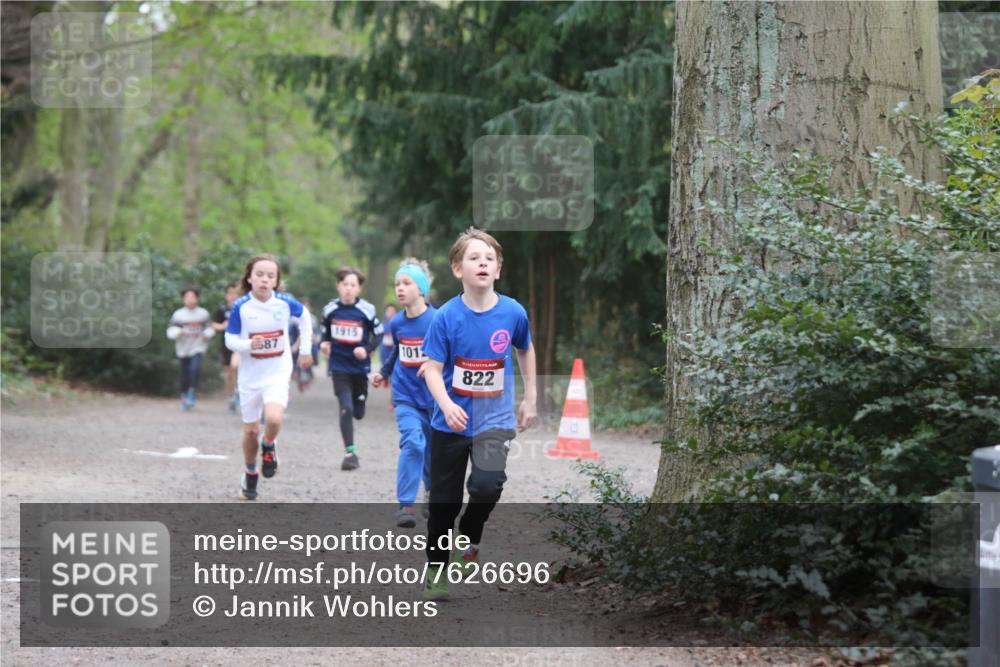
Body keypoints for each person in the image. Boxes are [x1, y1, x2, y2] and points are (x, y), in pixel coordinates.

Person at [420, 228, 537, 600]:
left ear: (498, 269)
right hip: (450, 422)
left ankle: (469, 537)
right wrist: (447, 404)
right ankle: (437, 570)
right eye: (474, 258)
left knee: (487, 487)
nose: (482, 263)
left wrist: (531, 397)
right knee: (443, 504)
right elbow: (431, 369)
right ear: (458, 269)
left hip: (494, 420)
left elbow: (525, 350)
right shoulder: (446, 317)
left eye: (489, 258)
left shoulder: (513, 312)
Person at [225, 254, 313, 501]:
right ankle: (250, 472)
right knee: (250, 431)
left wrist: (305, 350)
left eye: (270, 276)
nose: (264, 280)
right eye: (259, 274)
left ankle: (269, 444)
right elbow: (229, 339)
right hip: (250, 375)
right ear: (250, 277)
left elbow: (304, 317)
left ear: (276, 281)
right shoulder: (241, 306)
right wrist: (248, 344)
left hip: (277, 371)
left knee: (273, 418)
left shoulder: (284, 303)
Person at [372, 259, 436, 528]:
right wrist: (384, 373)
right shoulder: (397, 322)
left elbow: (451, 355)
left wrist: (432, 365)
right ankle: (406, 504)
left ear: (421, 288)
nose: (400, 288)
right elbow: (398, 352)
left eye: (407, 283)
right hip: (406, 395)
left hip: (435, 397)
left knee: (432, 452)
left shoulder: (437, 319)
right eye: (397, 283)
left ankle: (431, 492)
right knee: (413, 443)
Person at [320, 267, 383, 471]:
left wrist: (366, 349)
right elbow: (325, 334)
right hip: (339, 366)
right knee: (345, 407)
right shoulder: (330, 309)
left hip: (359, 368)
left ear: (359, 288)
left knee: (358, 412)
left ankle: (362, 398)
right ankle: (350, 453)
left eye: (352, 285)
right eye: (345, 284)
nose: (348, 289)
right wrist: (324, 344)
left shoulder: (366, 309)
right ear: (338, 286)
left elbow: (379, 335)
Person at [166, 288, 215, 411]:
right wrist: (178, 331)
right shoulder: (178, 315)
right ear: (183, 299)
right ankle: (184, 396)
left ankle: (191, 393)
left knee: (194, 369)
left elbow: (209, 328)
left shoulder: (203, 314)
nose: (190, 300)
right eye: (187, 297)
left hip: (198, 346)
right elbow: (171, 331)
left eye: (193, 297)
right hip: (183, 348)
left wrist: (207, 333)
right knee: (185, 373)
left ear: (197, 299)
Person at [211, 282, 241, 413]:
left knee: (237, 368)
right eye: (230, 293)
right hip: (226, 345)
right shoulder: (222, 309)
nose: (232, 296)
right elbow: (213, 324)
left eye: (235, 293)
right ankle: (231, 397)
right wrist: (222, 326)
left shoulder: (244, 308)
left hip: (241, 345)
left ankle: (241, 392)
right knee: (229, 373)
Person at [380, 303, 398, 369]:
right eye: (389, 311)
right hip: (384, 357)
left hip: (396, 359)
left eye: (392, 311)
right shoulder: (381, 326)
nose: (391, 313)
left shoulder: (399, 326)